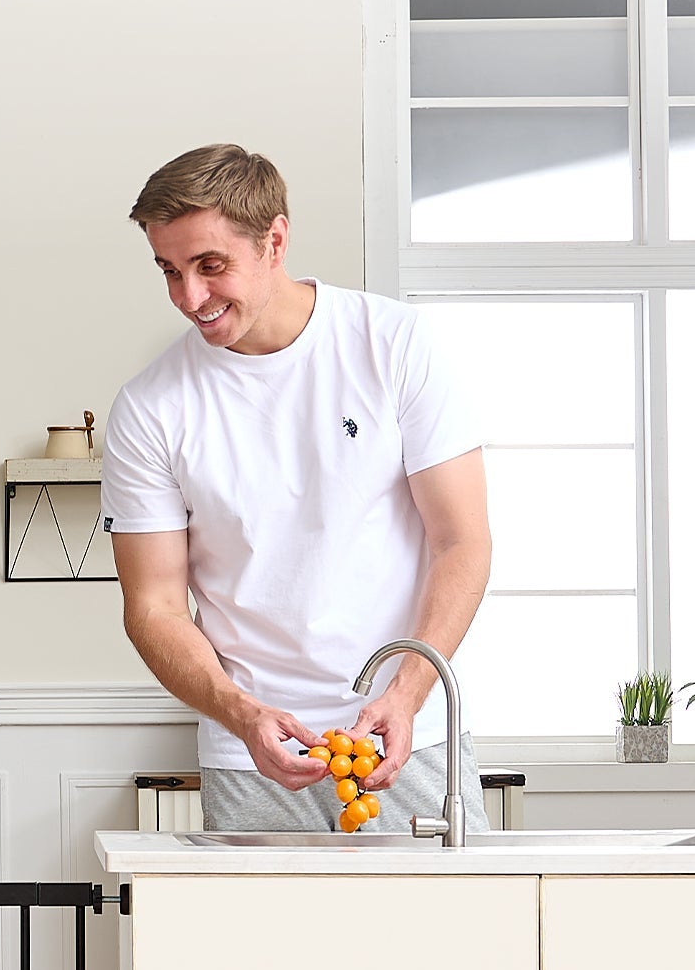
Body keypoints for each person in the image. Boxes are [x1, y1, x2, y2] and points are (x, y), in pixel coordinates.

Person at [101, 143, 493, 834]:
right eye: (170, 270)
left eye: (210, 265)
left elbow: (462, 541)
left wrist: (406, 696)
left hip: (409, 741)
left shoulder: (391, 343)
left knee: (449, 940)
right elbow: (155, 606)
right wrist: (243, 715)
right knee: (263, 946)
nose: (189, 298)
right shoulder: (150, 407)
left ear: (274, 240)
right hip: (251, 756)